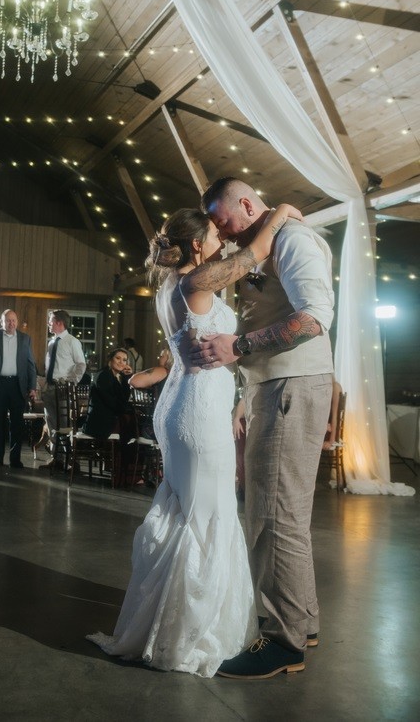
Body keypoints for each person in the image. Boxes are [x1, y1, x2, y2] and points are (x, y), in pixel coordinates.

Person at [87, 202, 300, 677]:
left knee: (188, 510)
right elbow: (256, 252)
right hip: (197, 414)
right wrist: (280, 210)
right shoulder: (193, 284)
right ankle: (192, 634)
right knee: (210, 516)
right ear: (198, 244)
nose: (223, 240)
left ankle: (167, 623)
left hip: (183, 405)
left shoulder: (170, 286)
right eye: (214, 233)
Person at [192, 177, 334, 680]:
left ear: (247, 204)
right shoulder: (268, 241)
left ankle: (282, 642)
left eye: (223, 220)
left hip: (291, 385)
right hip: (273, 385)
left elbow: (315, 318)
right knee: (284, 513)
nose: (221, 232)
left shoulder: (293, 241)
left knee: (274, 516)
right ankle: (303, 622)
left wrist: (240, 348)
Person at [0, 309, 37, 468]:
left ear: (17, 322)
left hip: (18, 386)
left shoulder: (25, 339)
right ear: (1, 322)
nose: (11, 323)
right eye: (7, 320)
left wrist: (32, 386)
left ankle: (15, 460)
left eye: (13, 320)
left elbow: (31, 365)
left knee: (17, 424)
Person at [40, 310, 86, 469]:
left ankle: (73, 461)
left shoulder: (72, 341)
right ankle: (57, 458)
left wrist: (70, 383)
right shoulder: (52, 342)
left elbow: (81, 365)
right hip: (50, 387)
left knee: (66, 424)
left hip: (64, 388)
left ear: (60, 322)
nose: (48, 323)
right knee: (52, 424)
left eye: (51, 321)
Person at [81, 348, 133, 439]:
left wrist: (126, 378)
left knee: (132, 424)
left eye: (124, 360)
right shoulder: (104, 375)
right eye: (118, 358)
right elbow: (111, 402)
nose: (121, 362)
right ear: (110, 359)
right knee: (131, 427)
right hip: (99, 424)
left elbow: (124, 398)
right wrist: (128, 409)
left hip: (108, 419)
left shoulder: (114, 376)